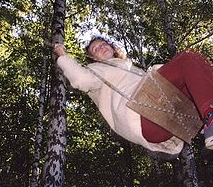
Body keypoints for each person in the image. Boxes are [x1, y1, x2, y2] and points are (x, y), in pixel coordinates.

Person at [53, 36, 213, 155]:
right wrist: (63, 56)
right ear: (93, 59)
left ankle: (206, 120)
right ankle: (210, 116)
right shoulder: (98, 70)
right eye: (96, 49)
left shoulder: (130, 68)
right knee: (187, 59)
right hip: (143, 117)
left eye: (103, 44)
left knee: (196, 68)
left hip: (162, 127)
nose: (102, 47)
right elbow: (80, 79)